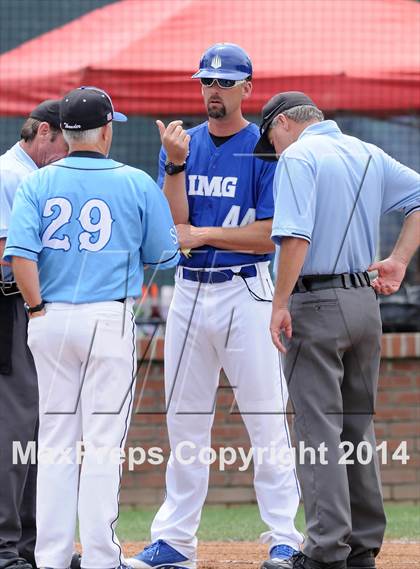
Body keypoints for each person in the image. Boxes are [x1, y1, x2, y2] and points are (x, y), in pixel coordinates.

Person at [127, 43, 303, 569]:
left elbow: (269, 234)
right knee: (184, 420)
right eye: (207, 82)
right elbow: (170, 227)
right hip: (190, 289)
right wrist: (176, 167)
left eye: (225, 83)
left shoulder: (265, 146)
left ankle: (283, 537)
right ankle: (176, 542)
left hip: (245, 288)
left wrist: (202, 232)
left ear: (248, 88)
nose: (214, 91)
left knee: (266, 416)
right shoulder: (183, 145)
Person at [3, 86, 180, 569]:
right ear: (104, 132)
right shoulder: (136, 181)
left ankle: (52, 558)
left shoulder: (38, 181)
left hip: (49, 319)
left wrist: (37, 310)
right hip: (107, 318)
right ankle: (102, 556)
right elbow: (164, 255)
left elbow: (19, 255)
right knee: (102, 443)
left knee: (55, 442)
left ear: (66, 131)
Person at [253, 91, 420, 569]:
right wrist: (400, 260)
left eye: (272, 139)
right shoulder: (366, 152)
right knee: (355, 426)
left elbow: (294, 237)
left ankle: (326, 550)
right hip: (365, 304)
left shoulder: (299, 157)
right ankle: (362, 546)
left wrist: (279, 302)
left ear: (284, 123)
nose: (275, 150)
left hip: (315, 304)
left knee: (317, 429)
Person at [0, 100, 69, 569]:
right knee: (15, 430)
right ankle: (7, 547)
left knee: (38, 430)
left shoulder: (36, 175)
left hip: (31, 309)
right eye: (68, 140)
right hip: (11, 309)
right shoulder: (12, 174)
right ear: (44, 132)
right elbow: (7, 258)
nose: (73, 150)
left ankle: (30, 546)